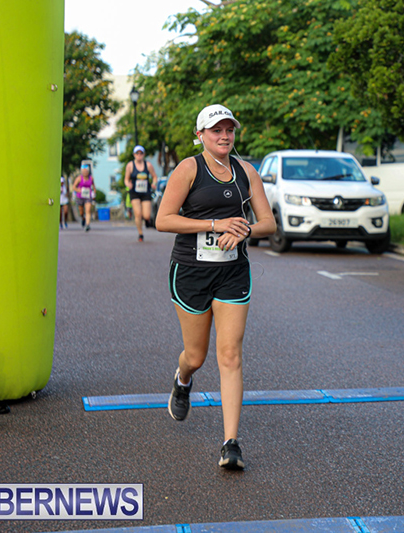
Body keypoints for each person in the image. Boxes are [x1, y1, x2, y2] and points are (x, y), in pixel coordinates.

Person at [155, 104, 275, 470]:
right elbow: (163, 220)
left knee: (231, 354)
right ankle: (183, 378)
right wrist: (214, 225)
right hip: (191, 273)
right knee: (197, 356)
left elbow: (268, 222)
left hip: (232, 273)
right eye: (216, 130)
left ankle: (231, 443)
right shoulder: (189, 169)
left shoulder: (246, 172)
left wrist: (244, 230)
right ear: (201, 135)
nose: (224, 136)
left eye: (229, 130)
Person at [123, 145, 159, 242]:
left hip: (145, 192)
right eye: (137, 153)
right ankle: (140, 233)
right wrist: (128, 184)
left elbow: (155, 177)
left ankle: (147, 220)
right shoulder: (130, 165)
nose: (139, 155)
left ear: (143, 154)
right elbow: (126, 179)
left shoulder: (148, 165)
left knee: (146, 215)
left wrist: (154, 184)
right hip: (134, 192)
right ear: (134, 154)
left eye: (141, 153)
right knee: (138, 214)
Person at [72, 162, 96, 232]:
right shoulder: (79, 178)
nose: (85, 173)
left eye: (86, 171)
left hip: (88, 196)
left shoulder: (91, 178)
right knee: (81, 212)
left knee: (88, 210)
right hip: (80, 196)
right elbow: (74, 186)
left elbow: (94, 187)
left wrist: (94, 193)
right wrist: (78, 190)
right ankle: (83, 218)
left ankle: (87, 225)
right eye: (84, 171)